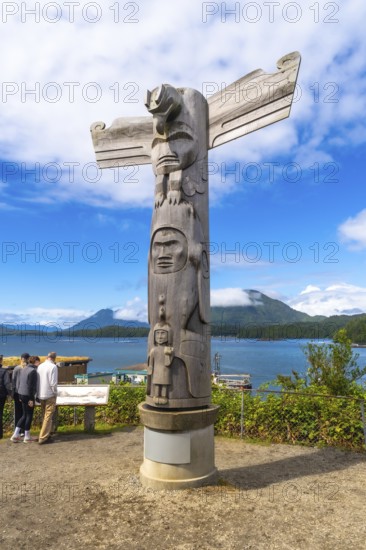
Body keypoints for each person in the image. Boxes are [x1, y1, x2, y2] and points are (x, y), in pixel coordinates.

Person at [10, 356, 39, 443]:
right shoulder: (33, 371)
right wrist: (31, 399)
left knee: (24, 415)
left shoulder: (23, 369)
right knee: (29, 415)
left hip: (21, 394)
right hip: (28, 395)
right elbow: (31, 386)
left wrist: (19, 396)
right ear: (35, 362)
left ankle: (15, 435)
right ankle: (27, 437)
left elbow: (19, 382)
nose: (39, 364)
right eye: (38, 362)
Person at [37, 351, 58, 445]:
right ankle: (43, 437)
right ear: (54, 358)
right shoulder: (53, 367)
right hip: (49, 394)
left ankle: (46, 434)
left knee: (44, 415)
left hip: (41, 393)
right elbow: (53, 383)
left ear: (47, 357)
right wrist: (55, 393)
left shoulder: (40, 366)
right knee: (48, 416)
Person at [11, 352, 30, 435]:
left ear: (21, 358)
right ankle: (23, 430)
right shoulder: (28, 368)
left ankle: (17, 430)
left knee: (18, 412)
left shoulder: (16, 368)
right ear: (28, 359)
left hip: (17, 393)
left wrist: (12, 392)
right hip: (25, 392)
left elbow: (13, 381)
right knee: (25, 412)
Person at [0, 355, 12, 439]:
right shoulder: (4, 371)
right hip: (1, 395)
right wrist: (11, 395)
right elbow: (7, 384)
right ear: (1, 360)